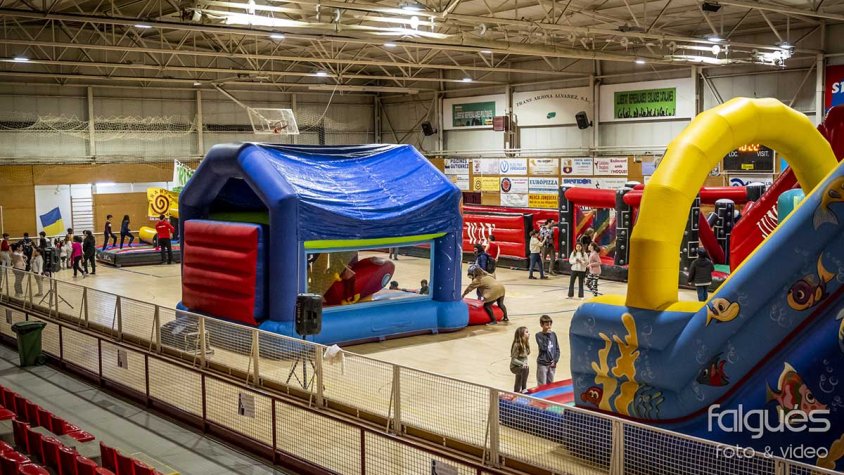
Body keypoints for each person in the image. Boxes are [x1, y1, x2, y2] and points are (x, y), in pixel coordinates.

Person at [535, 315, 560, 386]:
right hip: (543, 364)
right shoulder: (538, 335)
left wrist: (555, 360)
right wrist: (547, 336)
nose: (549, 327)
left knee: (550, 384)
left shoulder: (553, 334)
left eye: (550, 325)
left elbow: (557, 349)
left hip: (552, 364)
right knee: (542, 384)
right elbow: (543, 348)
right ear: (541, 325)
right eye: (546, 325)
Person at [510, 326, 531, 393]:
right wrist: (523, 364)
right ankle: (524, 388)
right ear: (521, 334)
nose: (529, 333)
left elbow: (526, 357)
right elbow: (513, 360)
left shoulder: (526, 343)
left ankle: (516, 392)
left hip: (521, 366)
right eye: (526, 332)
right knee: (526, 369)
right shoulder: (517, 345)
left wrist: (525, 363)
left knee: (518, 380)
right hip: (514, 367)